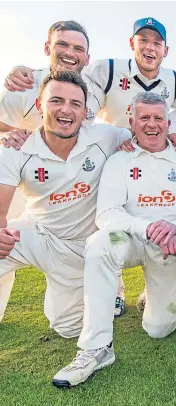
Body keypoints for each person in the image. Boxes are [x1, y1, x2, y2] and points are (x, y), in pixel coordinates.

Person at [52, 92, 176, 387]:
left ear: (168, 122)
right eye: (145, 118)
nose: (152, 125)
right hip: (133, 239)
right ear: (133, 122)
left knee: (158, 328)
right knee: (100, 243)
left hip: (170, 246)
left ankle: (154, 296)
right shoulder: (119, 159)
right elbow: (107, 213)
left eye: (158, 118)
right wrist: (148, 228)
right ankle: (96, 348)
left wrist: (175, 228)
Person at [0, 71, 129, 339]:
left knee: (68, 329)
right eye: (56, 101)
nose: (66, 110)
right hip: (38, 236)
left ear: (85, 112)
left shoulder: (105, 137)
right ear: (39, 105)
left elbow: (148, 133)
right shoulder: (16, 148)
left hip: (80, 249)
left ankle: (75, 296)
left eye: (75, 104)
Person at [0, 20, 106, 318]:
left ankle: (106, 293)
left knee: (67, 322)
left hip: (73, 185)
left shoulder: (94, 86)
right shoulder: (24, 84)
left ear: (87, 57)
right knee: (3, 238)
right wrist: (9, 133)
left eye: (78, 48)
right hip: (25, 181)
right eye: (62, 44)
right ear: (48, 48)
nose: (70, 53)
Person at [4, 17, 176, 129]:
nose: (149, 48)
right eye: (143, 40)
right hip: (115, 158)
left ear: (165, 51)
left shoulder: (173, 79)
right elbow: (67, 67)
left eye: (157, 43)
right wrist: (26, 71)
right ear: (132, 43)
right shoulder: (107, 69)